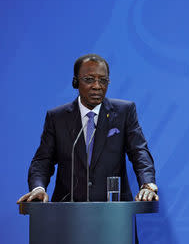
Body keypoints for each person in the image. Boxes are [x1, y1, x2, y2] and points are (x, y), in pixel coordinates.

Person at [17, 54, 158, 203]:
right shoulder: (57, 118)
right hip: (67, 213)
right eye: (89, 80)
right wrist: (38, 188)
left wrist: (147, 184)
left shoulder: (124, 112)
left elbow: (139, 152)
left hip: (115, 212)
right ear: (76, 82)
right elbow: (43, 161)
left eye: (103, 80)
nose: (97, 86)